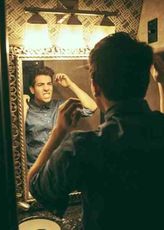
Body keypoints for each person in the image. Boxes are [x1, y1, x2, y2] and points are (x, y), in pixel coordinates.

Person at [28, 32, 164, 230]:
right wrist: (161, 81)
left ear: (95, 86)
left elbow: (36, 186)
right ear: (145, 81)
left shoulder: (83, 147)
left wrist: (59, 132)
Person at [24, 66, 97, 168]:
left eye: (49, 84)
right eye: (40, 85)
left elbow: (92, 108)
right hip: (35, 170)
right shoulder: (25, 109)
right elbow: (16, 141)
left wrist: (71, 85)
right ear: (32, 89)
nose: (46, 89)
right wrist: (23, 108)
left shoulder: (61, 106)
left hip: (61, 167)